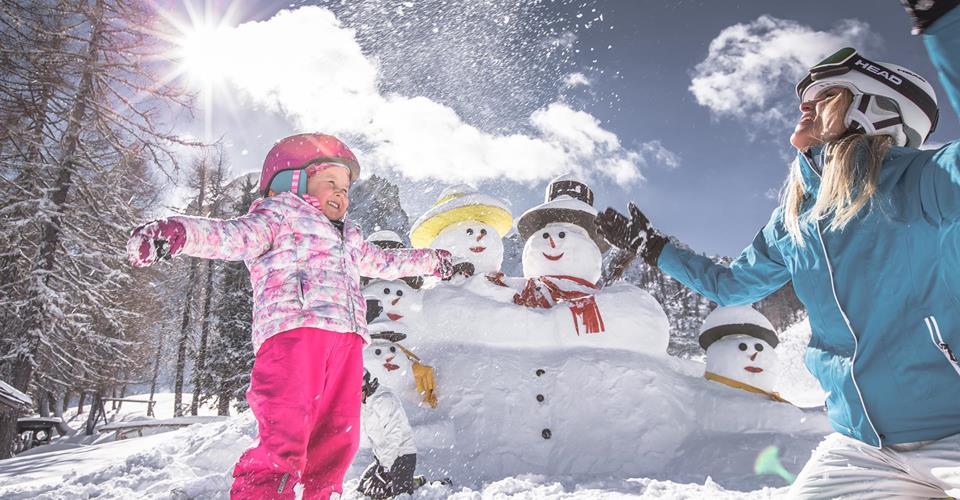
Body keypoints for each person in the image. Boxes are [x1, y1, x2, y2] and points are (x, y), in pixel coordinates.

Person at [596, 2, 960, 498]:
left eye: (825, 95)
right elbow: (732, 284)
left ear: (874, 109)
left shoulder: (924, 179)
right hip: (862, 446)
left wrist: (944, 18)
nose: (805, 106)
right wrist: (653, 247)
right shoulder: (796, 220)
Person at [126, 133, 453, 500]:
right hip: (294, 334)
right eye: (331, 182)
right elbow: (231, 236)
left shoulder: (350, 238)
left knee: (338, 438)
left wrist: (429, 261)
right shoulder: (278, 215)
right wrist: (180, 233)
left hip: (345, 343)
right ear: (293, 180)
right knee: (286, 433)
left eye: (345, 189)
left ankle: (321, 493)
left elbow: (386, 262)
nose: (341, 194)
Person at [357, 369, 424, 499]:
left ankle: (417, 483)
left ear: (368, 384)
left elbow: (393, 436)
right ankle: (409, 481)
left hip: (402, 455)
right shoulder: (366, 402)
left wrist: (385, 468)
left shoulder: (384, 400)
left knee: (396, 495)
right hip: (383, 458)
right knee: (363, 489)